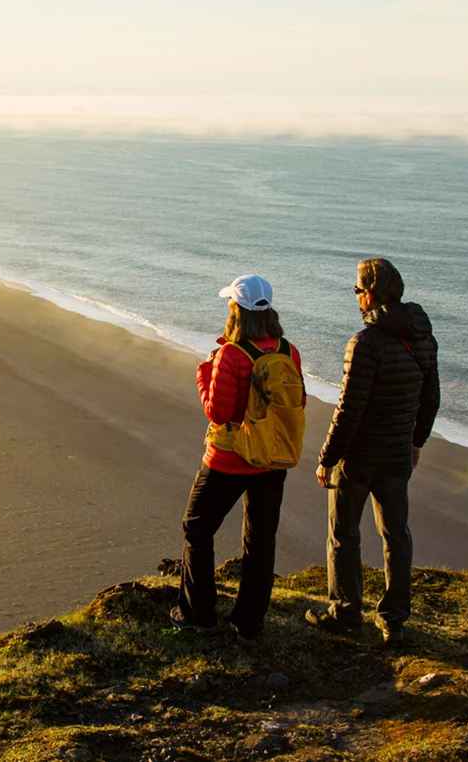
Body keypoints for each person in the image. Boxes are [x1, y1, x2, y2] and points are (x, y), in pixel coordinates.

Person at [306, 257, 439, 645]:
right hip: (397, 455)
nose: (356, 299)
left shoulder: (364, 343)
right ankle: (393, 619)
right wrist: (416, 442)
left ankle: (346, 613)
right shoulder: (424, 339)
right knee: (396, 535)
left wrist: (327, 457)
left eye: (357, 291)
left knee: (343, 534)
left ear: (370, 293)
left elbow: (349, 409)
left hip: (360, 459)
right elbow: (431, 399)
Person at [171, 274, 305, 647]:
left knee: (196, 529)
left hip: (228, 459)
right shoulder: (287, 351)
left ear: (236, 308)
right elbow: (297, 405)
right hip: (271, 461)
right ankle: (248, 625)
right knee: (260, 542)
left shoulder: (231, 354)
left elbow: (218, 411)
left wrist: (204, 372)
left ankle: (197, 616)